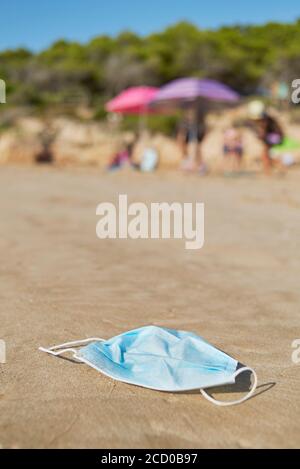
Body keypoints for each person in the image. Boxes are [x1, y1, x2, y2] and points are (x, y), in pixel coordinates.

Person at [248, 100, 284, 174]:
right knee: (267, 154)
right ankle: (276, 168)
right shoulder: (266, 118)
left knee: (265, 154)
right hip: (275, 136)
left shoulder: (265, 119)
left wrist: (261, 137)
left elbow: (263, 132)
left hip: (273, 137)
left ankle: (268, 171)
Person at [177, 104, 207, 174]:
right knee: (191, 150)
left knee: (197, 150)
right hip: (190, 136)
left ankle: (199, 166)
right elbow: (182, 135)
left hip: (196, 136)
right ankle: (192, 165)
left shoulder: (199, 122)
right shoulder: (185, 123)